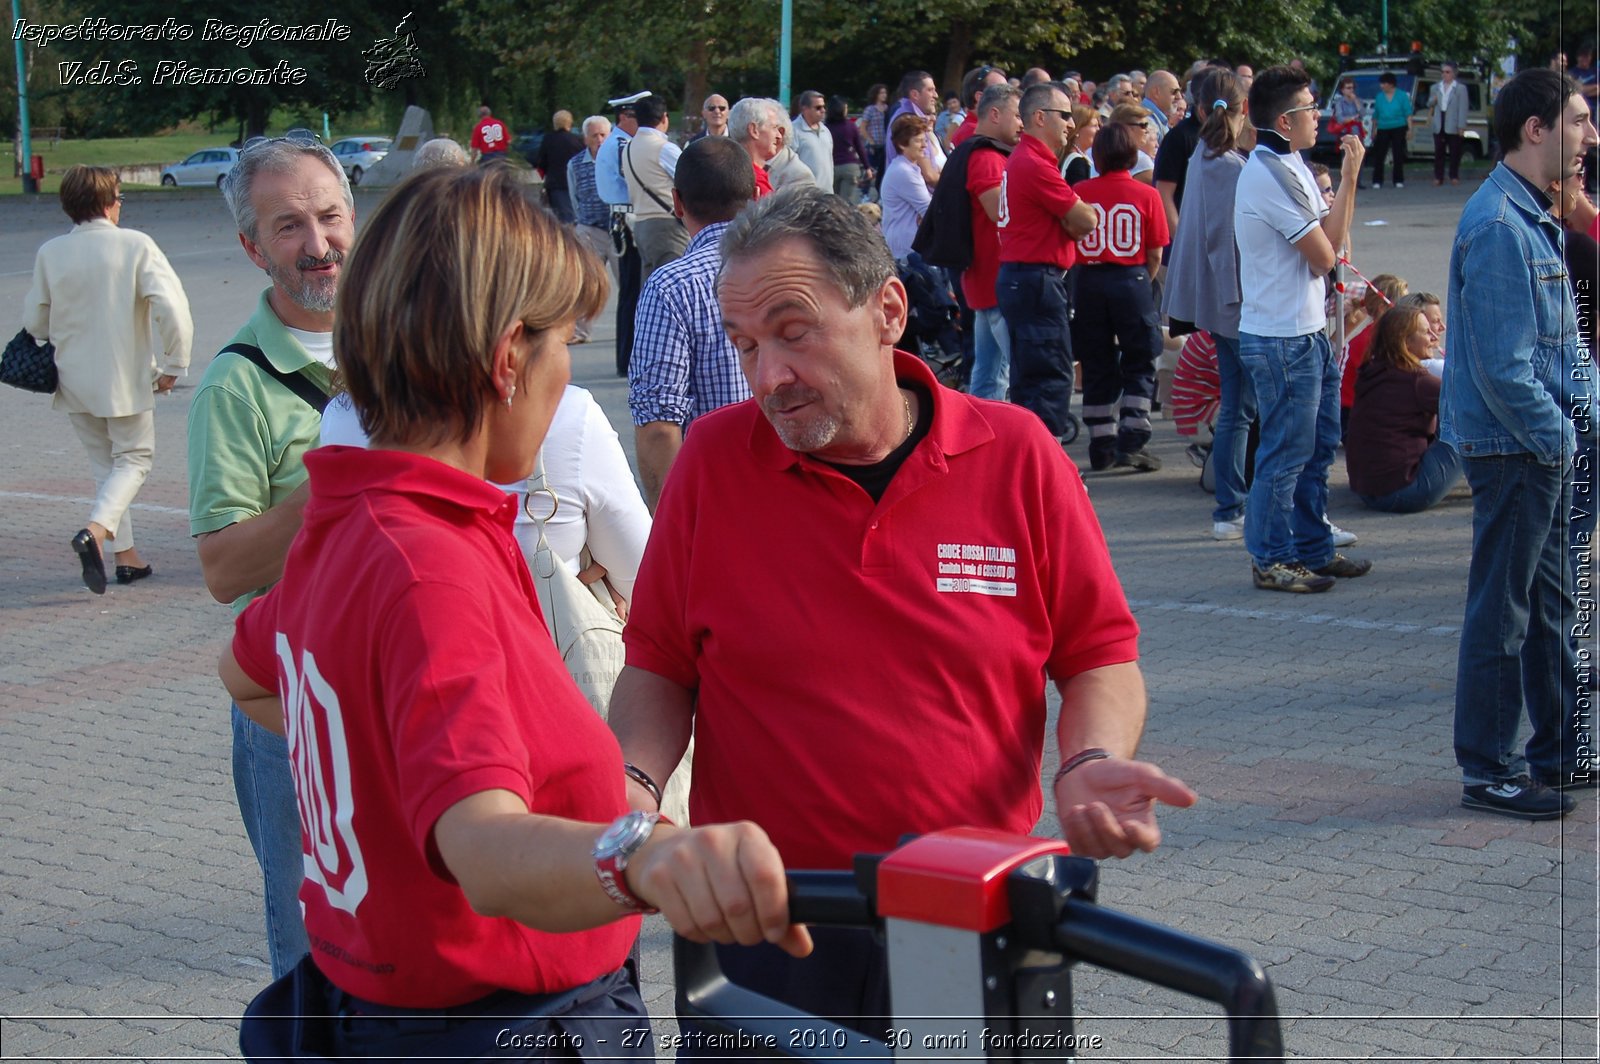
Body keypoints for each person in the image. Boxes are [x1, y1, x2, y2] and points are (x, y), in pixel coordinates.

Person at [225, 165, 810, 1059]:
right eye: (566, 342)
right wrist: (643, 856)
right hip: (501, 1023)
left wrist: (378, 785)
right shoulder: (429, 566)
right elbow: (486, 849)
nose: (568, 372)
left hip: (383, 1008)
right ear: (508, 359)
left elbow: (246, 673)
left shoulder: (358, 517)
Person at [607, 184, 1196, 1044]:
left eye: (793, 332)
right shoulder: (711, 464)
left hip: (971, 915)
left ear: (888, 311)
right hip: (774, 919)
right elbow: (659, 665)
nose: (767, 376)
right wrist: (636, 793)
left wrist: (1089, 759)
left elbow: (1099, 650)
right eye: (744, 345)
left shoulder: (1016, 454)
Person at [188, 131, 352, 979]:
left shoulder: (402, 340)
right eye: (289, 227)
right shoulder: (235, 385)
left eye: (329, 216)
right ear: (253, 249)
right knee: (314, 947)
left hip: (406, 686)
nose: (318, 244)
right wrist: (332, 487)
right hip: (292, 706)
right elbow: (222, 571)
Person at [1442, 67, 1599, 817]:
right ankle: (1490, 768)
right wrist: (1562, 436)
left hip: (1543, 448)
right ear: (1534, 130)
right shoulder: (1501, 225)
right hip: (1517, 452)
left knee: (1554, 606)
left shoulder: (1532, 214)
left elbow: (1564, 350)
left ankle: (1561, 753)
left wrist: (1588, 420)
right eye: (1575, 121)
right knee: (1501, 615)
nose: (1589, 138)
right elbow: (1506, 370)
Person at [23, 164, 192, 593]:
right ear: (106, 203)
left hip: (72, 380)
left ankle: (128, 558)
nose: (120, 204)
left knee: (107, 469)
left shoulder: (50, 252)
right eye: (118, 196)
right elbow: (172, 308)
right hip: (126, 379)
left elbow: (35, 323)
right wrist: (175, 364)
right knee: (135, 459)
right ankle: (95, 533)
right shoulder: (136, 245)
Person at [1234, 64, 1370, 593]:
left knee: (1318, 447)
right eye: (1312, 109)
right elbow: (1322, 256)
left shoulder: (1291, 163)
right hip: (1281, 336)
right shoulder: (1266, 173)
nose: (1322, 116)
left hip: (1309, 330)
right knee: (1285, 452)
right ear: (1285, 121)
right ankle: (1270, 556)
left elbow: (1338, 246)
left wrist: (1338, 215)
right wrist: (1351, 184)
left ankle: (1313, 547)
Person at [628, 137, 757, 510]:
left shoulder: (671, 287)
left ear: (677, 201)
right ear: (753, 196)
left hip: (720, 499)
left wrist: (674, 526)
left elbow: (658, 425)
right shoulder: (796, 270)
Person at [1162, 71, 1255, 540]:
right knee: (1253, 407)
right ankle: (1236, 507)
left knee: (1239, 407)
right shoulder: (1229, 165)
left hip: (1219, 303)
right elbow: (1225, 243)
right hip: (1233, 303)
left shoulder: (1203, 155)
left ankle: (1231, 507)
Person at [997, 82, 1098, 442]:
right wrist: (1072, 223)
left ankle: (1032, 465)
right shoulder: (1035, 163)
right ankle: (1046, 467)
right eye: (1065, 115)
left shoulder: (1025, 159)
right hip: (1036, 278)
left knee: (1031, 377)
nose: (1072, 124)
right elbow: (1086, 220)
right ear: (1040, 118)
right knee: (1050, 376)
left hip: (1024, 277)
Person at [1071, 123, 1170, 472]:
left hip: (1089, 281)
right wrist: (1144, 280)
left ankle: (1101, 445)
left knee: (1096, 361)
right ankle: (1133, 437)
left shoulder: (1080, 190)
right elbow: (1155, 251)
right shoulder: (1147, 194)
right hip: (1132, 279)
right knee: (1141, 357)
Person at [1344, 306, 1463, 513]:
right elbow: (1470, 406)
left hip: (1366, 490)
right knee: (1468, 419)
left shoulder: (1373, 371)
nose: (1434, 336)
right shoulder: (1416, 381)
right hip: (1403, 492)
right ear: (1405, 341)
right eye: (1426, 332)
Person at [958, 83, 1024, 401]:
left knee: (988, 375)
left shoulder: (982, 152)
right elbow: (1001, 212)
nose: (1022, 122)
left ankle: (984, 440)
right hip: (995, 278)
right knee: (1014, 373)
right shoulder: (986, 157)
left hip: (987, 280)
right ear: (995, 114)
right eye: (1017, 115)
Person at [596, 92, 648, 375]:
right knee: (631, 293)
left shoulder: (618, 142)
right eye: (637, 118)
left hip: (623, 216)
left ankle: (626, 357)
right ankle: (627, 358)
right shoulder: (621, 145)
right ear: (624, 117)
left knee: (630, 292)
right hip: (626, 218)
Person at [622, 94, 688, 282]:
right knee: (675, 283)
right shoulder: (664, 148)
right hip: (667, 224)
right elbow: (691, 180)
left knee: (651, 287)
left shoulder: (627, 148)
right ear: (664, 118)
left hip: (641, 223)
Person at [879, 114, 933, 260]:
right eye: (918, 141)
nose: (924, 145)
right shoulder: (904, 172)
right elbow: (930, 211)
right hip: (907, 251)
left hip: (907, 247)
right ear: (902, 144)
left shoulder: (905, 168)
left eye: (925, 140)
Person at [534, 109, 585, 223]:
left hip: (556, 185)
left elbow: (541, 163)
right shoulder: (577, 140)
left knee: (562, 219)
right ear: (570, 122)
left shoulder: (548, 139)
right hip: (575, 183)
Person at [730, 96, 786, 197]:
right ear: (754, 130)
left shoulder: (726, 173)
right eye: (774, 127)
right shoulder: (754, 183)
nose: (779, 136)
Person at [1428, 62, 1470, 186]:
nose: (1444, 74)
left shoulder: (1460, 88)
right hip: (1439, 120)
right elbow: (1429, 104)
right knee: (1439, 152)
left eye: (1447, 72)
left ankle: (1453, 175)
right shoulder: (1436, 87)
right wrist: (1433, 100)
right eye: (1443, 72)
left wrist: (1461, 126)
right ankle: (1438, 176)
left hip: (1453, 121)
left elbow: (1463, 108)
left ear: (1454, 74)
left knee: (1454, 152)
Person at [825, 95, 871, 204]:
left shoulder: (825, 128)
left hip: (832, 167)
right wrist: (867, 167)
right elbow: (859, 148)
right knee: (846, 202)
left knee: (833, 201)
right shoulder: (851, 126)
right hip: (850, 166)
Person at [1369, 72, 1412, 189]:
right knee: (1380, 154)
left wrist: (1409, 129)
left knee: (1398, 154)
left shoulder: (1402, 96)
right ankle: (1377, 180)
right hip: (1383, 127)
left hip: (1399, 126)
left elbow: (1408, 113)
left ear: (1391, 84)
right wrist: (1374, 130)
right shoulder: (1379, 96)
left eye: (1384, 83)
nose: (1382, 85)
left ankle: (1398, 179)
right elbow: (1376, 115)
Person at [859, 83, 890, 191]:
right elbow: (863, 127)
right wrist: (870, 140)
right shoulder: (870, 109)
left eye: (885, 92)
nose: (884, 95)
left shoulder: (888, 109)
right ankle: (865, 193)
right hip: (873, 144)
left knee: (884, 170)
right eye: (881, 93)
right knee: (870, 170)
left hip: (885, 144)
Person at [1062, 104, 1101, 185]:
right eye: (1094, 126)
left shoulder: (1069, 155)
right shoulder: (1077, 163)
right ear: (1077, 130)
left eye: (1098, 126)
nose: (1098, 130)